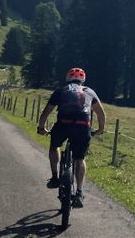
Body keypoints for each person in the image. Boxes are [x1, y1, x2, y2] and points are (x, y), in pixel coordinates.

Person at [37, 67, 106, 208]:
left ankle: (55, 177)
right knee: (80, 159)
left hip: (63, 124)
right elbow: (101, 113)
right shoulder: (89, 91)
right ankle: (79, 192)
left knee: (54, 146)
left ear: (68, 78)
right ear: (83, 80)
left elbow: (46, 111)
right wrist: (100, 129)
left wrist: (41, 127)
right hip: (82, 126)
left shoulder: (61, 90)